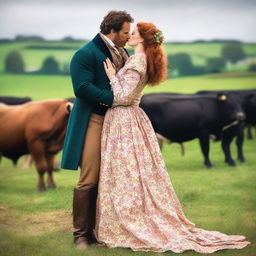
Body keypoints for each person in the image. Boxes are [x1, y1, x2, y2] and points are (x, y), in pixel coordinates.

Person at [95, 22, 251, 253]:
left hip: (124, 119)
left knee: (125, 171)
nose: (129, 36)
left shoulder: (138, 60)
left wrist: (111, 77)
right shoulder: (139, 59)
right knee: (133, 172)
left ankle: (129, 221)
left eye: (133, 33)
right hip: (130, 119)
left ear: (144, 39)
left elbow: (123, 97)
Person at [60, 10, 134, 249]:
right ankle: (81, 234)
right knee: (89, 178)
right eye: (125, 32)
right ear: (111, 31)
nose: (128, 36)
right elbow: (82, 88)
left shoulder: (124, 52)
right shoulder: (84, 53)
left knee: (112, 178)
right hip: (94, 119)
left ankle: (102, 230)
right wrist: (116, 99)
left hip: (118, 122)